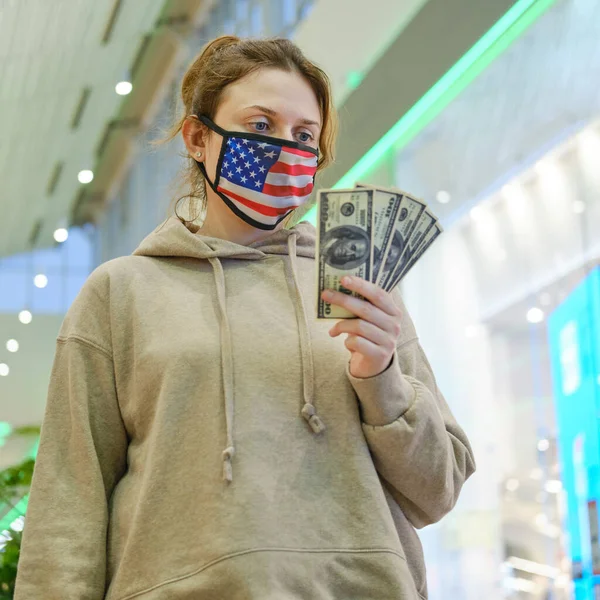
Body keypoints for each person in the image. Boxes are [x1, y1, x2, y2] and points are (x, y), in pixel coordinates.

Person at [14, 35, 475, 600]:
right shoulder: (121, 292)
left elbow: (438, 488)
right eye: (261, 127)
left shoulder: (358, 283)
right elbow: (69, 502)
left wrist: (382, 381)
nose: (286, 148)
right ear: (198, 137)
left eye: (303, 135)